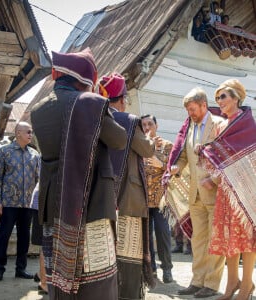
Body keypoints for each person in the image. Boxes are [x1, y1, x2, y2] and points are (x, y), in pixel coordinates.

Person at [31, 48, 127, 300]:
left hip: (56, 202)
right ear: (86, 79)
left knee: (60, 272)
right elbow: (119, 139)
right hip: (91, 198)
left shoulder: (38, 110)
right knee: (96, 271)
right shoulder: (90, 104)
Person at [99, 73, 156, 299]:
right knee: (129, 252)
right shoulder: (129, 121)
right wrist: (150, 136)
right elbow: (147, 150)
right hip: (128, 198)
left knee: (107, 251)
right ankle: (129, 294)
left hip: (102, 197)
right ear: (122, 99)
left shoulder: (98, 117)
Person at [198, 79, 256, 300]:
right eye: (217, 98)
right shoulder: (220, 126)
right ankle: (232, 283)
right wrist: (205, 153)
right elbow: (219, 159)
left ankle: (247, 285)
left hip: (245, 189)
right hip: (225, 191)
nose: (219, 101)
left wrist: (216, 176)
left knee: (246, 238)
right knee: (229, 236)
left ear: (236, 97)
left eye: (223, 96)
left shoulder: (249, 124)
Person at [168, 87, 225, 298]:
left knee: (214, 240)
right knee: (198, 241)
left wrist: (215, 179)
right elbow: (184, 155)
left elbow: (227, 159)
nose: (190, 113)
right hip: (196, 195)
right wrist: (177, 166)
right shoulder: (190, 127)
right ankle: (197, 281)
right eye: (188, 110)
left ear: (203, 105)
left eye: (193, 109)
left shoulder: (220, 125)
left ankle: (211, 283)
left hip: (215, 193)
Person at [0, 121, 40, 281]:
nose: (30, 135)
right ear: (18, 132)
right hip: (8, 203)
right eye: (28, 132)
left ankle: (21, 269)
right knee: (3, 236)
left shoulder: (34, 154)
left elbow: (39, 179)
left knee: (24, 237)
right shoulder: (5, 152)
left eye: (31, 132)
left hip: (27, 204)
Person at [140, 114, 174, 283]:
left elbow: (173, 168)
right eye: (144, 125)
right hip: (142, 201)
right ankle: (150, 270)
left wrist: (158, 161)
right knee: (145, 239)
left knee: (163, 235)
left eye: (150, 124)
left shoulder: (167, 146)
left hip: (161, 200)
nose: (147, 127)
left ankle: (167, 269)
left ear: (156, 125)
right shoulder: (139, 147)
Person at [30, 182, 48, 295]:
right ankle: (44, 284)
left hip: (47, 200)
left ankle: (41, 274)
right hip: (42, 204)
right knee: (46, 244)